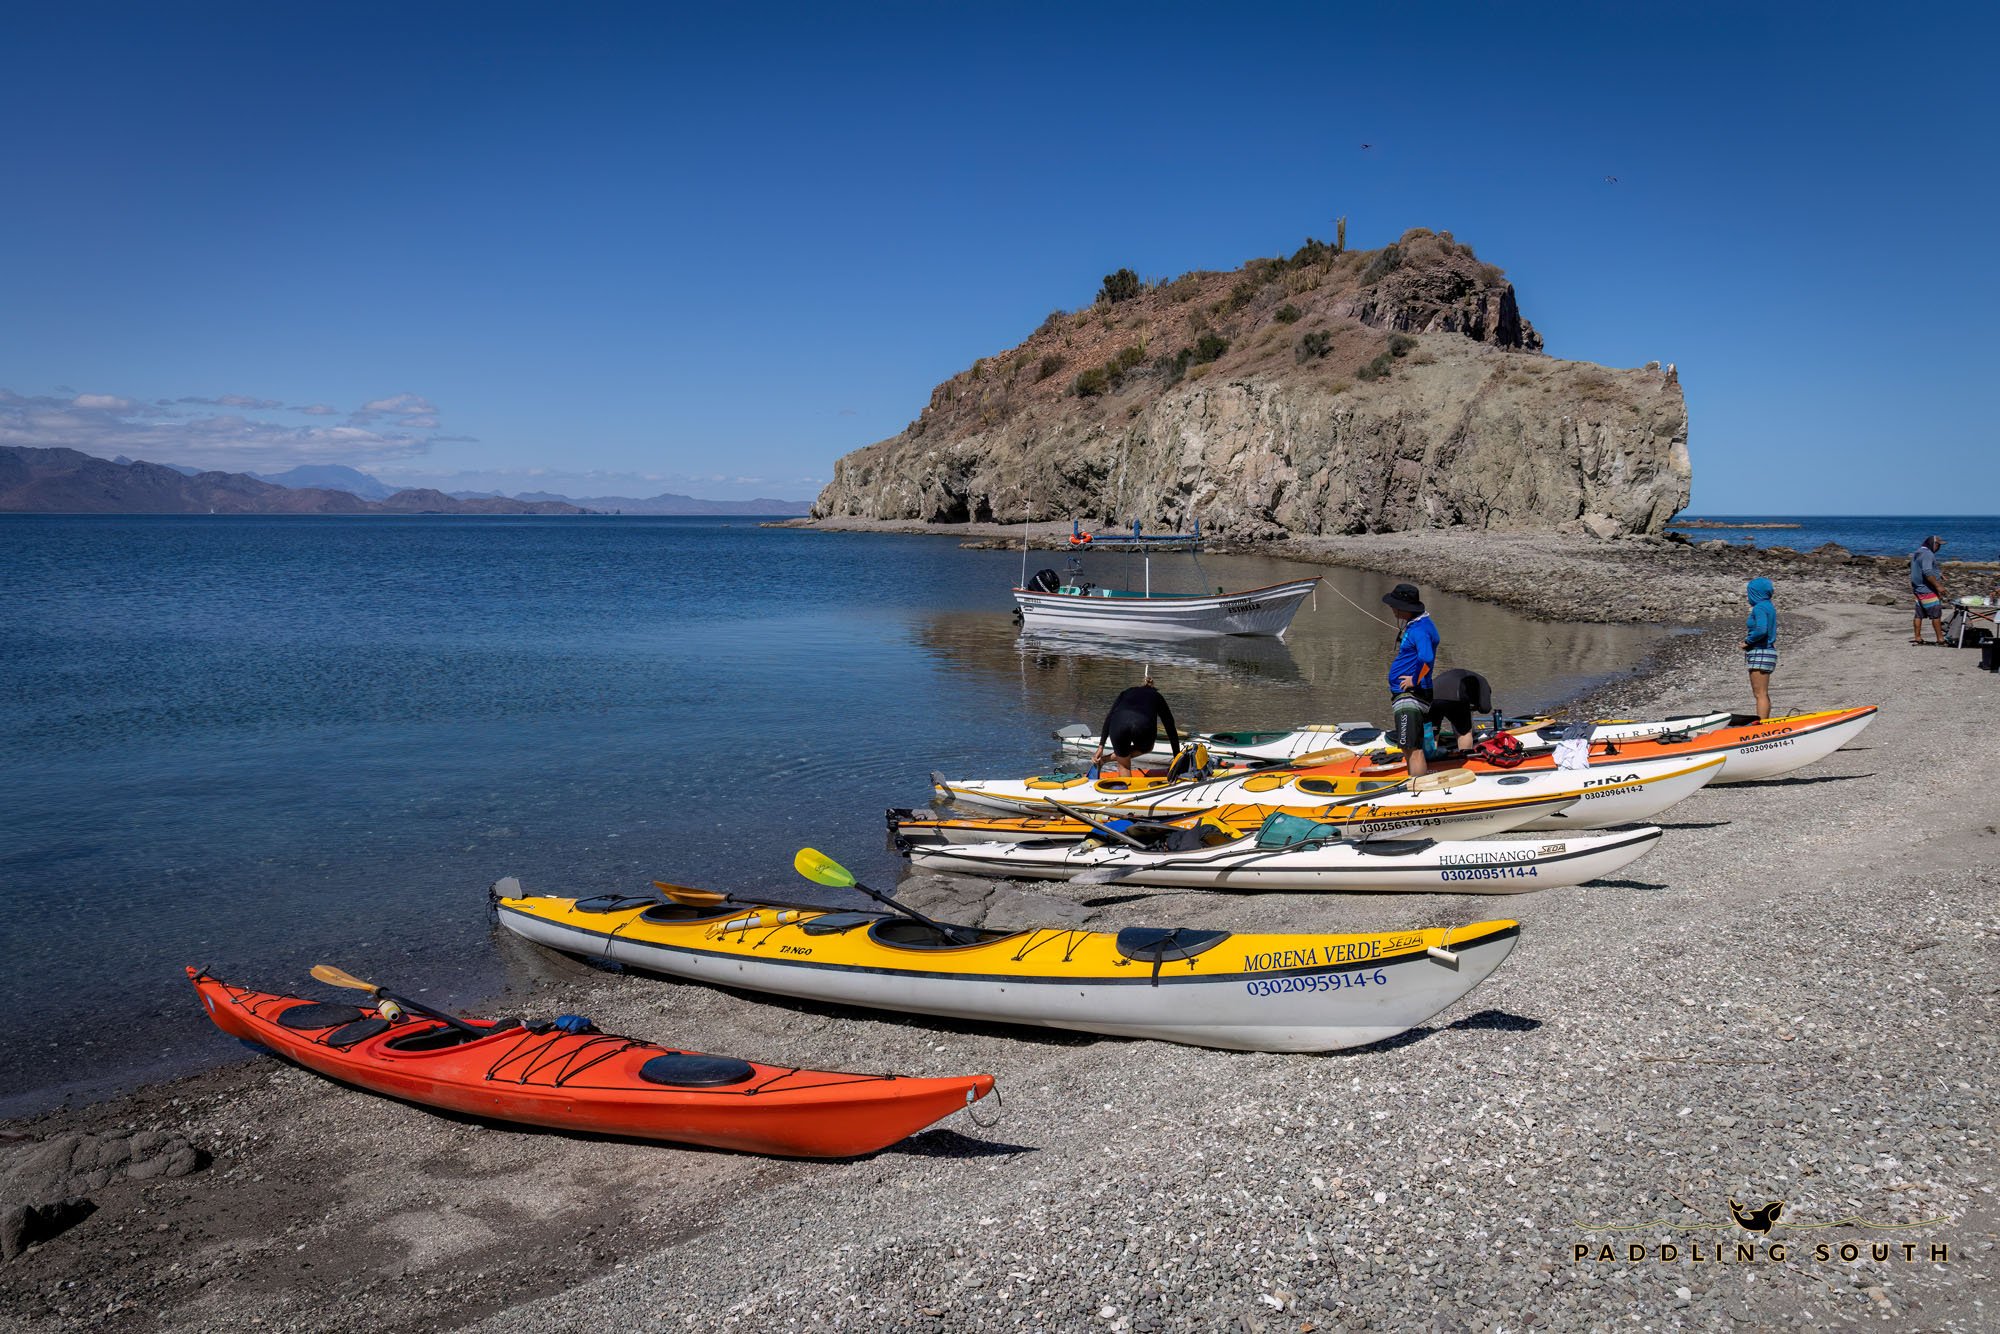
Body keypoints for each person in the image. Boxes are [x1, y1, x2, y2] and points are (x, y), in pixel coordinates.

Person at [1382, 582, 1440, 777]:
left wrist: (1414, 679)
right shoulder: (1419, 624)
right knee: (1409, 746)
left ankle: (1416, 791)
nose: (1391, 608)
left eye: (1394, 605)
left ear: (1405, 608)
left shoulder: (1419, 630)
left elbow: (1426, 657)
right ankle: (1414, 782)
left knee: (1412, 748)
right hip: (1409, 695)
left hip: (1411, 696)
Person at [1090, 675, 1179, 777]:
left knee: (1124, 765)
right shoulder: (1157, 696)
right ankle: (1107, 760)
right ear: (1154, 688)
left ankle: (1109, 767)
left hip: (1118, 725)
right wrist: (1176, 757)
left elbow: (1109, 717)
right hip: (1142, 725)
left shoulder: (1126, 692)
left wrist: (1101, 747)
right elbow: (1170, 727)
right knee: (1147, 748)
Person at [1428, 668, 1492, 755]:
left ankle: (1431, 760)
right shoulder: (1483, 683)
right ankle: (1465, 758)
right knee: (1464, 732)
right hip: (1454, 695)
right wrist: (1472, 708)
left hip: (1430, 696)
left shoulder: (1468, 677)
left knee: (1433, 732)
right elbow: (1485, 708)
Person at [1742, 577, 1778, 720]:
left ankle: (1761, 725)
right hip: (1767, 652)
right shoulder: (1768, 606)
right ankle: (1764, 721)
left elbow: (1761, 630)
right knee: (1763, 693)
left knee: (1759, 693)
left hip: (1760, 651)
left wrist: (1747, 641)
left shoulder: (1760, 608)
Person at [1910, 535, 1949, 645]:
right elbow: (1927, 572)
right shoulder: (1928, 554)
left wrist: (1939, 574)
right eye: (1938, 545)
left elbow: (1920, 568)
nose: (1939, 548)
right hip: (1927, 590)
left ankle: (1918, 637)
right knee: (1936, 614)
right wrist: (1938, 586)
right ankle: (1940, 639)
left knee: (1919, 614)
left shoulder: (1918, 552)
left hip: (1918, 589)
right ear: (1933, 544)